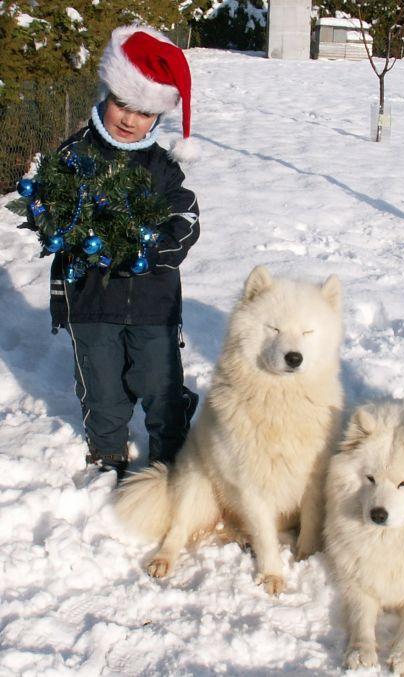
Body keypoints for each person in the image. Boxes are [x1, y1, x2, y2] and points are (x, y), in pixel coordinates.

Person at [50, 25, 200, 479]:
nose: (130, 119)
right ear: (106, 92)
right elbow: (52, 210)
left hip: (153, 304)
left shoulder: (161, 167)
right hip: (91, 301)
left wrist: (156, 245)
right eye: (122, 104)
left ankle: (169, 454)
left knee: (159, 381)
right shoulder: (75, 156)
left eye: (143, 112)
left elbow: (186, 218)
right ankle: (108, 451)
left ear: (157, 118)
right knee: (101, 385)